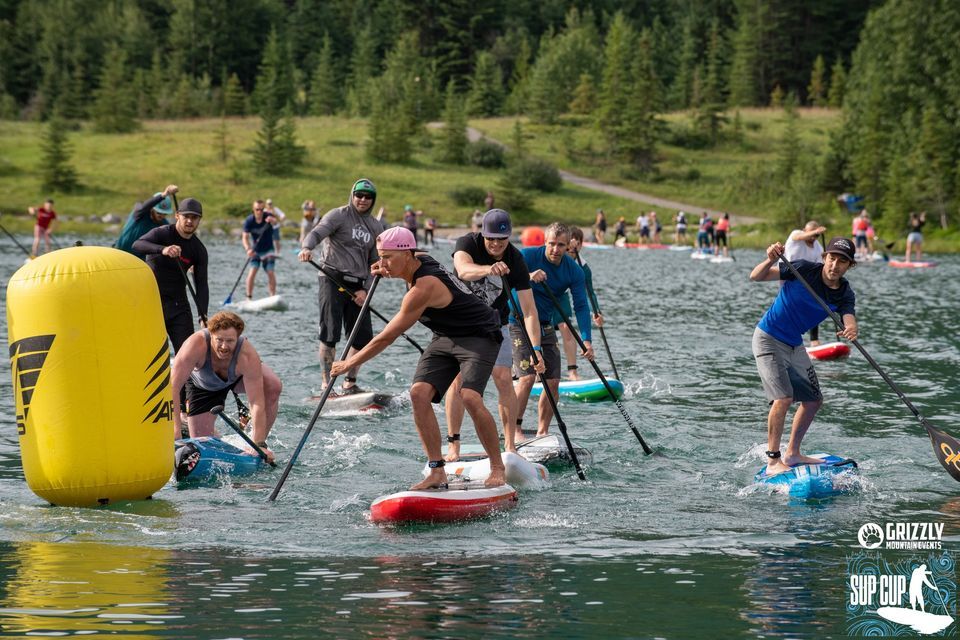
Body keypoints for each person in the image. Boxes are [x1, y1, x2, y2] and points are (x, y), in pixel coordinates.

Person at [330, 227, 506, 490]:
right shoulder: (418, 258)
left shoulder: (422, 289)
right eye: (380, 257)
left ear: (408, 255)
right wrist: (387, 267)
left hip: (480, 335)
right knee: (418, 394)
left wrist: (349, 364)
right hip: (445, 336)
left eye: (388, 257)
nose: (381, 264)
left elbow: (386, 338)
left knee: (469, 396)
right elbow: (400, 263)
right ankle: (437, 471)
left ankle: (497, 467)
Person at [749, 237, 858, 477]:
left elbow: (849, 316)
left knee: (813, 400)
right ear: (824, 258)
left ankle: (793, 453)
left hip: (794, 345)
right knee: (784, 398)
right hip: (768, 337)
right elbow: (756, 276)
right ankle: (773, 460)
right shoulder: (802, 269)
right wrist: (769, 261)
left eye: (842, 261)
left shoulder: (844, 292)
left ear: (849, 266)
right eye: (832, 258)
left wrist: (851, 328)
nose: (835, 265)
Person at [444, 209, 545, 461]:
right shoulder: (467, 243)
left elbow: (530, 310)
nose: (496, 244)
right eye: (491, 239)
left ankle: (509, 446)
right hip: (461, 324)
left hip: (495, 325)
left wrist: (536, 348)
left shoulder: (516, 260)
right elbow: (463, 269)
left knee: (502, 377)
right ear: (482, 233)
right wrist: (489, 269)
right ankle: (454, 445)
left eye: (502, 239)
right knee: (458, 381)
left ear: (509, 237)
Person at [298, 178, 384, 395]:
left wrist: (365, 288)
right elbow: (317, 233)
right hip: (331, 278)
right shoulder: (338, 215)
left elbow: (375, 263)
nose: (363, 200)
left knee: (363, 338)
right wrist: (307, 247)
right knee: (330, 333)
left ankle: (350, 382)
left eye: (368, 197)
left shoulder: (375, 226)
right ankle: (326, 384)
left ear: (373, 200)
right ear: (352, 195)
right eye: (359, 195)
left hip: (358, 287)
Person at [514, 222, 595, 438]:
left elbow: (581, 306)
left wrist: (587, 340)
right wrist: (527, 276)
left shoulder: (574, 271)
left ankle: (542, 432)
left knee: (552, 381)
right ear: (544, 242)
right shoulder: (528, 256)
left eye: (561, 245)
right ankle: (515, 428)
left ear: (568, 246)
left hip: (545, 324)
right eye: (551, 244)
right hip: (518, 321)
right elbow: (506, 276)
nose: (555, 249)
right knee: (528, 378)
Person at [170, 311, 282, 462]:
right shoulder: (194, 345)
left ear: (238, 338)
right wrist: (175, 433)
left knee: (273, 385)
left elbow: (256, 401)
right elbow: (173, 388)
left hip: (237, 379)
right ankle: (209, 434)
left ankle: (255, 445)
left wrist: (259, 444)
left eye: (230, 341)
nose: (224, 346)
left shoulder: (247, 354)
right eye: (219, 340)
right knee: (205, 449)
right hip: (203, 388)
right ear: (211, 335)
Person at [132, 197, 209, 353]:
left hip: (178, 307)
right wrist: (163, 249)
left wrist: (202, 315)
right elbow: (137, 245)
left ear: (199, 220)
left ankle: (185, 375)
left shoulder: (199, 249)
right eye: (186, 216)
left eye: (194, 218)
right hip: (151, 302)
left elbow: (201, 284)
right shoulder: (163, 233)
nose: (189, 221)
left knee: (187, 353)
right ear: (177, 216)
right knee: (149, 352)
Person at [554, 226, 603, 381]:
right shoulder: (558, 254)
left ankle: (572, 372)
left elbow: (589, 292)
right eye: (569, 245)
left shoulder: (584, 267)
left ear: (581, 245)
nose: (572, 248)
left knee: (567, 328)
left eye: (578, 244)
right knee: (542, 331)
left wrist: (596, 312)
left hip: (560, 296)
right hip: (542, 294)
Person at [784, 220, 827, 346]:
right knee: (792, 309)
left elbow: (820, 267)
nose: (814, 237)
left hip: (806, 279)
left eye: (817, 236)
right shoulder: (796, 234)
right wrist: (816, 231)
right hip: (788, 276)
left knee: (815, 305)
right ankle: (788, 340)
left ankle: (814, 341)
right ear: (804, 230)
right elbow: (799, 236)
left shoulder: (818, 247)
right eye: (812, 234)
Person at [115, 185, 177, 259]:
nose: (161, 216)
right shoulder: (139, 213)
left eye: (164, 214)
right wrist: (163, 195)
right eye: (159, 212)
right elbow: (145, 206)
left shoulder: (164, 225)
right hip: (120, 253)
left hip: (139, 261)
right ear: (152, 209)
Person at [242, 199, 279, 299]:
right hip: (255, 250)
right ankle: (248, 297)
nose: (260, 212)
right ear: (253, 209)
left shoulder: (268, 216)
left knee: (270, 271)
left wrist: (272, 221)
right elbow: (245, 237)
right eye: (257, 209)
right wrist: (248, 249)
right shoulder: (249, 220)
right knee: (252, 271)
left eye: (262, 209)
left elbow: (276, 223)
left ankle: (272, 296)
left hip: (268, 250)